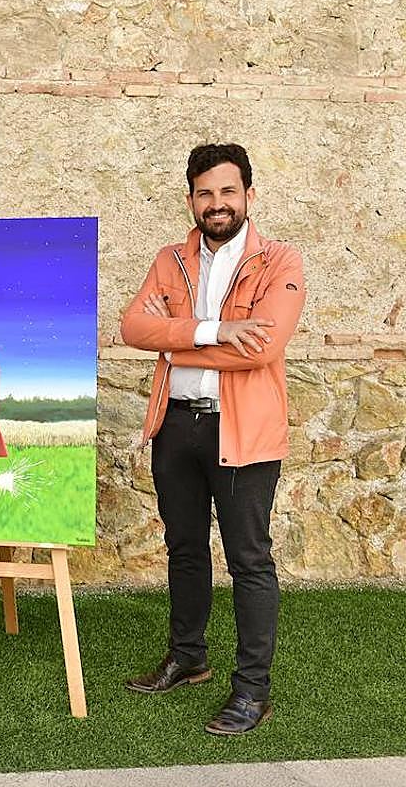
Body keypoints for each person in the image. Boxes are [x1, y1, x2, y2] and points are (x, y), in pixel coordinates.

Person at [120, 143, 305, 735]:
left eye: (228, 191)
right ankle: (188, 655)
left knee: (249, 560)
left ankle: (252, 690)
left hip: (242, 431)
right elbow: (132, 327)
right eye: (205, 192)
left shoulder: (280, 261)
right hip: (175, 423)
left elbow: (265, 348)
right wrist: (215, 328)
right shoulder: (171, 259)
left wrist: (174, 341)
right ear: (191, 199)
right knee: (184, 547)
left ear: (249, 195)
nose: (216, 203)